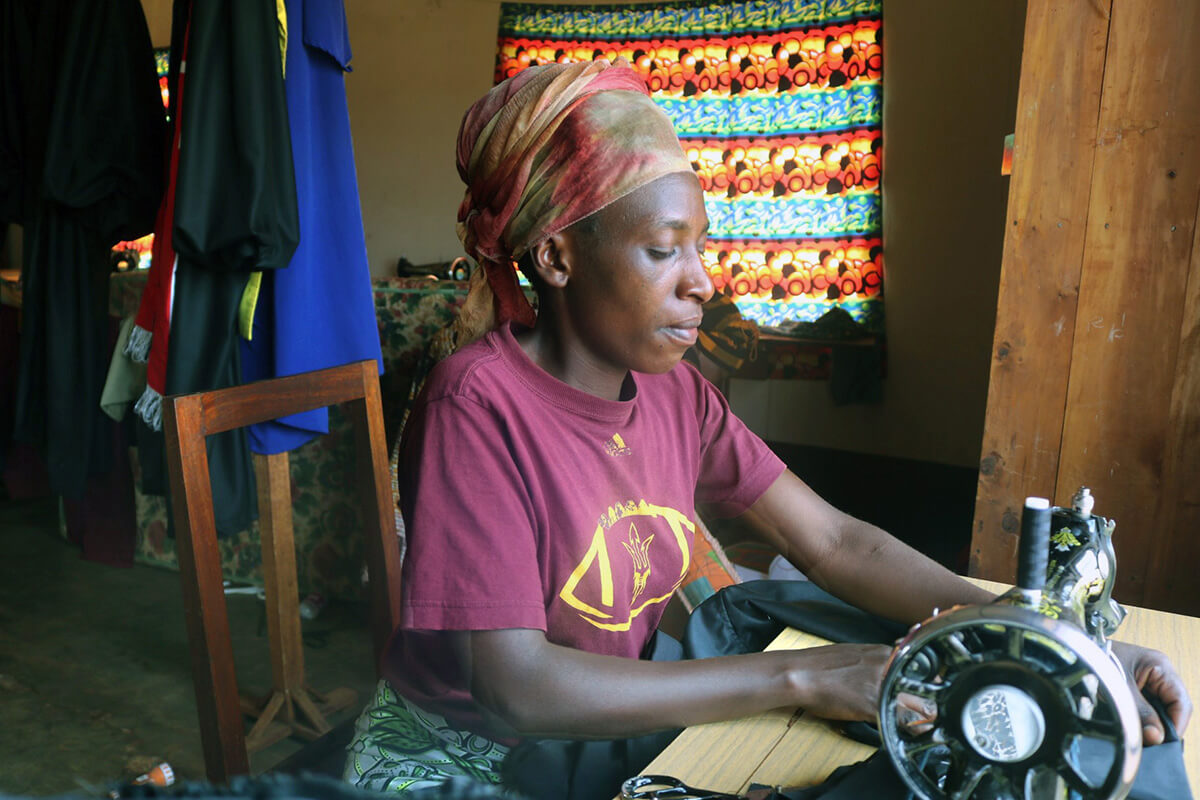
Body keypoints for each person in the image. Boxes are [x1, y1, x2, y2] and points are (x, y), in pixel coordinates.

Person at [342, 59, 1191, 798]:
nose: (703, 282)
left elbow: (835, 544)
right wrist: (800, 675)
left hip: (603, 727)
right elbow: (514, 690)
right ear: (557, 257)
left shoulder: (673, 393)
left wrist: (1035, 636)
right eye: (664, 250)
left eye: (702, 248)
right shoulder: (477, 404)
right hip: (468, 758)